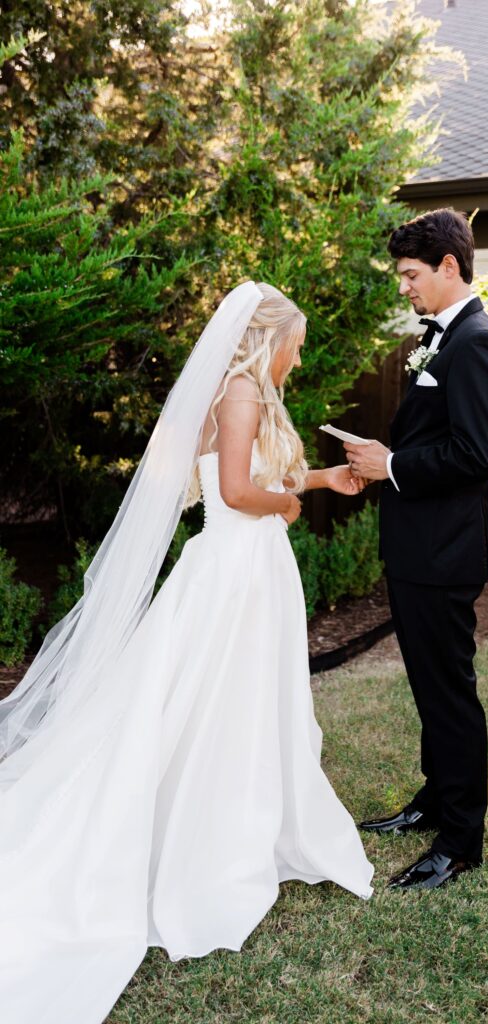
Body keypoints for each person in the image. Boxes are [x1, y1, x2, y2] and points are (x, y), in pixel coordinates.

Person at [0, 281, 373, 1024]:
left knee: (239, 701)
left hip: (253, 571)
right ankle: (199, 834)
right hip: (232, 572)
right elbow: (237, 492)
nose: (297, 362)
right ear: (269, 341)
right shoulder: (239, 393)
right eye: (294, 347)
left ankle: (239, 811)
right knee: (206, 702)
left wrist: (322, 479)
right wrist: (290, 506)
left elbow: (262, 475)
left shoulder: (252, 395)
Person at [344, 209, 488, 891]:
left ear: (449, 266)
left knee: (449, 693)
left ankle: (460, 838)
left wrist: (390, 465)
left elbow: (478, 454)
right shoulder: (441, 340)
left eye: (412, 275)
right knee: (428, 685)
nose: (404, 288)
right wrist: (384, 462)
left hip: (444, 553)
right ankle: (433, 799)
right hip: (420, 548)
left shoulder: (476, 343)